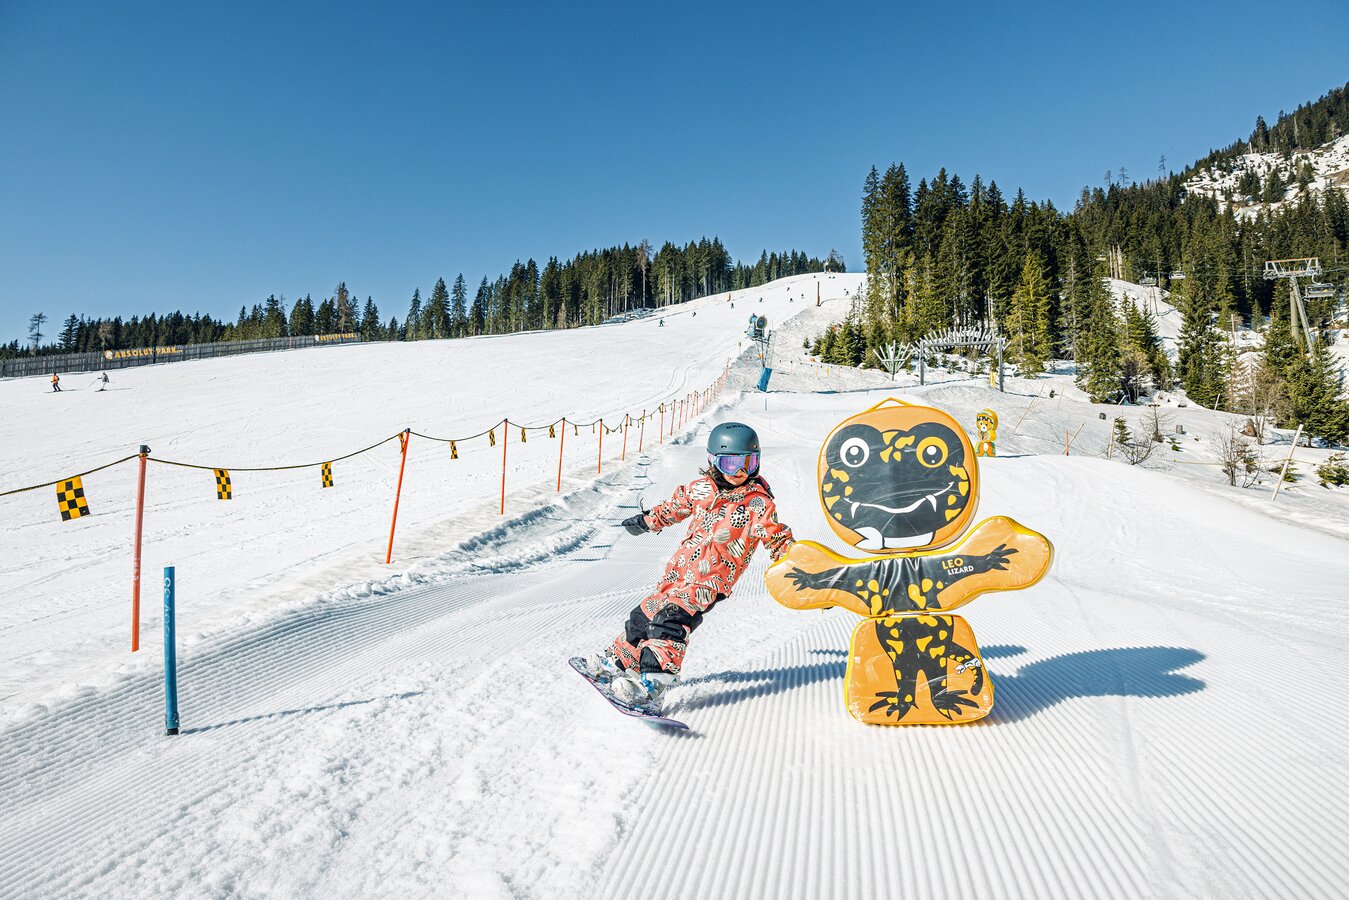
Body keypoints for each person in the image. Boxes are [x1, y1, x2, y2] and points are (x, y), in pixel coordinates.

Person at [580, 422, 795, 709]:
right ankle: (618, 662)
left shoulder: (758, 504)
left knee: (668, 623)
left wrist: (801, 569)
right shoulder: (701, 489)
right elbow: (674, 506)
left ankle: (653, 686)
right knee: (643, 616)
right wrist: (647, 521)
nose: (740, 471)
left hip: (711, 582)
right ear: (714, 461)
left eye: (748, 462)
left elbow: (776, 537)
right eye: (730, 463)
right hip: (678, 574)